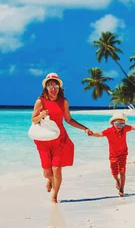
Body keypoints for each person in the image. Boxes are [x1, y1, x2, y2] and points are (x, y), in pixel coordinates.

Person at [31, 72, 93, 203]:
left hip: (59, 139)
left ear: (59, 88)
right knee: (48, 173)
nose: (53, 89)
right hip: (43, 141)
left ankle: (55, 196)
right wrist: (41, 115)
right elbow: (33, 120)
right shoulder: (40, 101)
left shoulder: (63, 101)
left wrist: (85, 128)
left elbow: (69, 120)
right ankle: (49, 180)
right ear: (46, 88)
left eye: (56, 86)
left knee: (57, 169)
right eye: (50, 86)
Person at [88, 111, 135, 196]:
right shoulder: (109, 131)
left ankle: (122, 190)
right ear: (113, 123)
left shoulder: (125, 128)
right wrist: (92, 134)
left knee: (122, 171)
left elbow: (134, 127)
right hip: (113, 155)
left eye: (122, 125)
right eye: (118, 124)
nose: (120, 127)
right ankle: (117, 180)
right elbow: (100, 134)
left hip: (123, 153)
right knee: (114, 172)